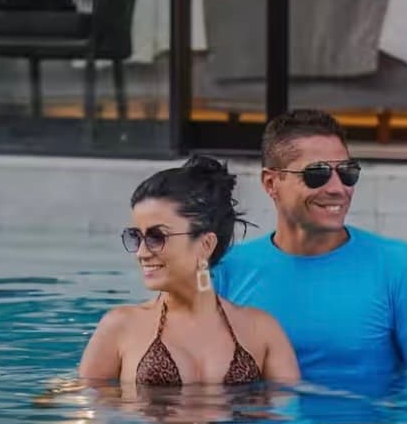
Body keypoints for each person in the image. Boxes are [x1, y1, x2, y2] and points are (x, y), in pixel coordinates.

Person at [213, 110, 407, 389]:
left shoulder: (399, 268)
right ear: (271, 183)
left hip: (363, 418)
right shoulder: (225, 271)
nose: (337, 189)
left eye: (347, 173)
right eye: (317, 174)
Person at [79, 155, 300, 386]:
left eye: (157, 237)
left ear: (206, 244)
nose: (141, 252)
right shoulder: (120, 327)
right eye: (135, 237)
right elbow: (84, 399)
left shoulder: (261, 331)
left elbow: (289, 406)